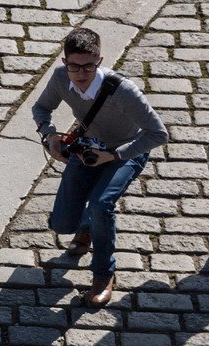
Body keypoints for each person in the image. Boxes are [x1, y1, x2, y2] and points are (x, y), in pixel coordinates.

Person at [32, 27, 170, 307]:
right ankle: (87, 227)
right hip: (86, 149)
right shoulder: (60, 78)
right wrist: (49, 135)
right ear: (64, 63)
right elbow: (41, 108)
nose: (81, 73)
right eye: (74, 66)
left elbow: (158, 134)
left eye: (89, 66)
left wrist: (116, 155)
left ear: (100, 60)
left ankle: (103, 274)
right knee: (61, 224)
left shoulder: (123, 91)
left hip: (125, 151)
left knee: (101, 204)